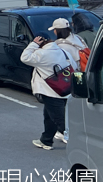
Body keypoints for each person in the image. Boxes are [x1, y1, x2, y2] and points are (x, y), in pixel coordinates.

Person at [21, 19, 78, 150]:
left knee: (59, 120)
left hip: (51, 91)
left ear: (40, 42)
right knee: (49, 117)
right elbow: (74, 66)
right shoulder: (63, 51)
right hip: (65, 89)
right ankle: (46, 140)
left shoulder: (42, 54)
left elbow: (24, 57)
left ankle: (79, 142)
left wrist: (33, 44)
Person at [51, 18, 88, 143]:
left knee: (67, 104)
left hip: (71, 76)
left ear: (58, 31)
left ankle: (66, 131)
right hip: (83, 73)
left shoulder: (60, 45)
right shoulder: (78, 39)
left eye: (54, 30)